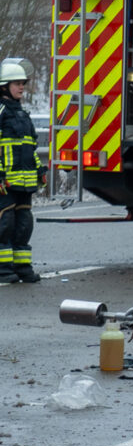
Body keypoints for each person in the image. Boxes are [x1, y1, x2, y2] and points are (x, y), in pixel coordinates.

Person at [0, 58, 39, 284]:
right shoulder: (2, 111)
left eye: (23, 83)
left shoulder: (22, 115)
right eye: (17, 83)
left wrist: (39, 168)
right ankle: (3, 268)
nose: (22, 87)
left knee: (24, 224)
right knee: (5, 224)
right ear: (4, 86)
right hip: (6, 183)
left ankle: (22, 267)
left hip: (25, 182)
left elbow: (29, 146)